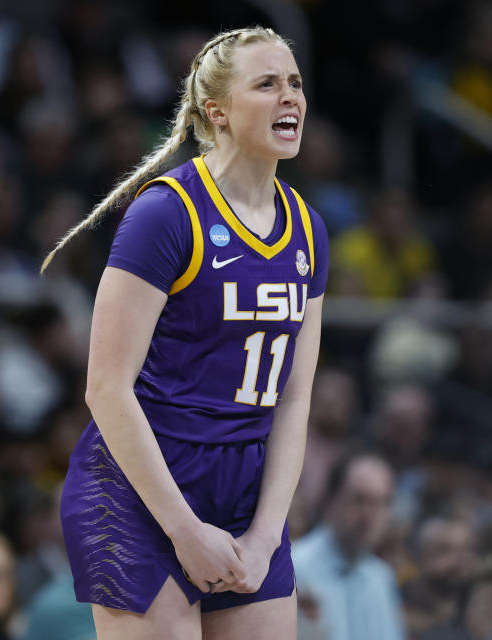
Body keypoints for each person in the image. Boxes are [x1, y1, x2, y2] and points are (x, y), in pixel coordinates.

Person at [43, 26, 328, 639]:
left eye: (296, 83)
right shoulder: (166, 213)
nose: (290, 98)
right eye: (268, 84)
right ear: (215, 111)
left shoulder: (309, 229)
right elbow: (105, 387)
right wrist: (183, 529)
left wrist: (266, 532)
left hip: (246, 488)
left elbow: (295, 395)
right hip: (141, 489)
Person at [291, 451, 405, 640]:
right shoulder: (294, 566)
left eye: (381, 503)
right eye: (359, 500)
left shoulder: (381, 579)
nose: (369, 515)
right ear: (332, 500)